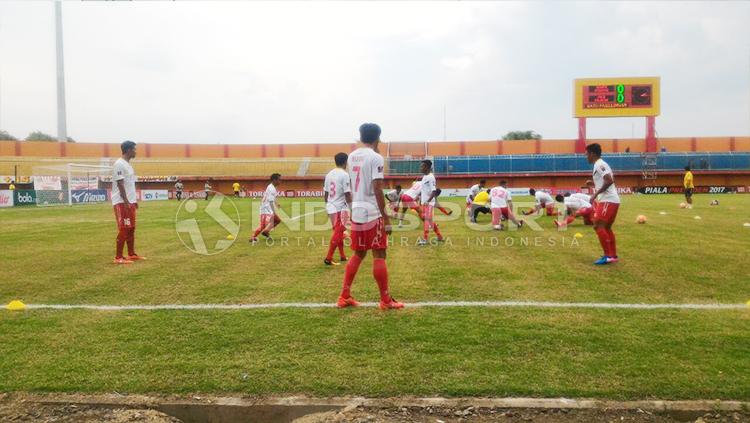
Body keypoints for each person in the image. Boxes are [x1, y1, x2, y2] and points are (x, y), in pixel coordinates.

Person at [337, 123, 402, 310]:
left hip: (357, 212)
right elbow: (377, 188)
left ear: (361, 136)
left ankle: (344, 296)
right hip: (373, 213)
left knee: (359, 253)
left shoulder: (352, 156)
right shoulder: (376, 157)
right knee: (379, 254)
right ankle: (386, 300)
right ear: (378, 137)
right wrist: (386, 217)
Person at [586, 143, 620, 265]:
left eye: (587, 154)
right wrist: (594, 183)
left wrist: (595, 194)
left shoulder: (599, 164)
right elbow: (609, 179)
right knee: (606, 227)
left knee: (598, 225)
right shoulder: (601, 164)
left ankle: (607, 256)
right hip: (611, 200)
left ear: (592, 154)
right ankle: (613, 255)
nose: (586, 157)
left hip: (608, 200)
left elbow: (609, 180)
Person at [111, 140, 145, 264]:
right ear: (129, 150)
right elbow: (120, 184)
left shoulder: (128, 165)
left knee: (131, 228)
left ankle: (131, 254)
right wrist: (125, 201)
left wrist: (133, 200)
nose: (136, 152)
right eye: (134, 149)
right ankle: (118, 257)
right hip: (121, 202)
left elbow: (129, 185)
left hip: (129, 202)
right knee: (124, 228)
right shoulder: (119, 164)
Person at [323, 153, 351, 265]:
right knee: (338, 233)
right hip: (341, 208)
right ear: (346, 161)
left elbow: (326, 192)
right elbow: (347, 194)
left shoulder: (329, 174)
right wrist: (352, 209)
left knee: (339, 232)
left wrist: (327, 206)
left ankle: (342, 256)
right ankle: (328, 258)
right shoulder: (344, 175)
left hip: (331, 207)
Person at [417, 159, 444, 245]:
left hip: (428, 203)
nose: (420, 168)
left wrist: (428, 201)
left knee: (427, 220)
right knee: (430, 222)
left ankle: (425, 239)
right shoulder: (425, 177)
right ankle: (440, 237)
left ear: (427, 167)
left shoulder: (430, 177)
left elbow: (434, 191)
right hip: (424, 203)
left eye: (422, 166)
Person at [250, 173, 282, 243]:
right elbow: (270, 201)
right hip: (266, 208)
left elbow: (273, 198)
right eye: (279, 180)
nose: (280, 181)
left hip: (266, 207)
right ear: (274, 180)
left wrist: (277, 204)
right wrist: (273, 211)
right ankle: (259, 234)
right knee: (265, 224)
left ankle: (264, 232)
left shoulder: (272, 187)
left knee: (277, 220)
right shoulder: (271, 189)